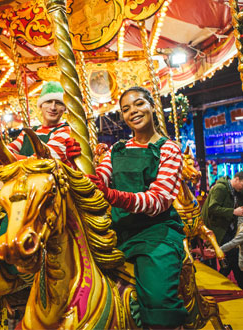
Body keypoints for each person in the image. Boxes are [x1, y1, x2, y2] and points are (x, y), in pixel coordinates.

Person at [88, 86, 188, 329]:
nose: (133, 111)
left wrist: (113, 195)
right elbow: (99, 180)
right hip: (117, 230)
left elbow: (158, 200)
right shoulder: (116, 149)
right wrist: (76, 164)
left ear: (152, 106)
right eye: (126, 109)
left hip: (156, 233)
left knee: (157, 298)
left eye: (139, 104)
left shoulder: (168, 149)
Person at [0, 81, 81, 168]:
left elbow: (42, 163)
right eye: (48, 102)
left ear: (64, 108)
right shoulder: (29, 132)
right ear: (41, 106)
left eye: (58, 103)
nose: (52, 107)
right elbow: (8, 151)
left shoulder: (65, 131)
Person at [202, 171, 243, 288]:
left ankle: (220, 280)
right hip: (217, 230)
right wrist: (233, 212)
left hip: (228, 229)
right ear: (237, 179)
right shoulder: (220, 188)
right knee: (234, 255)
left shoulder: (237, 191)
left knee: (230, 259)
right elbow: (212, 208)